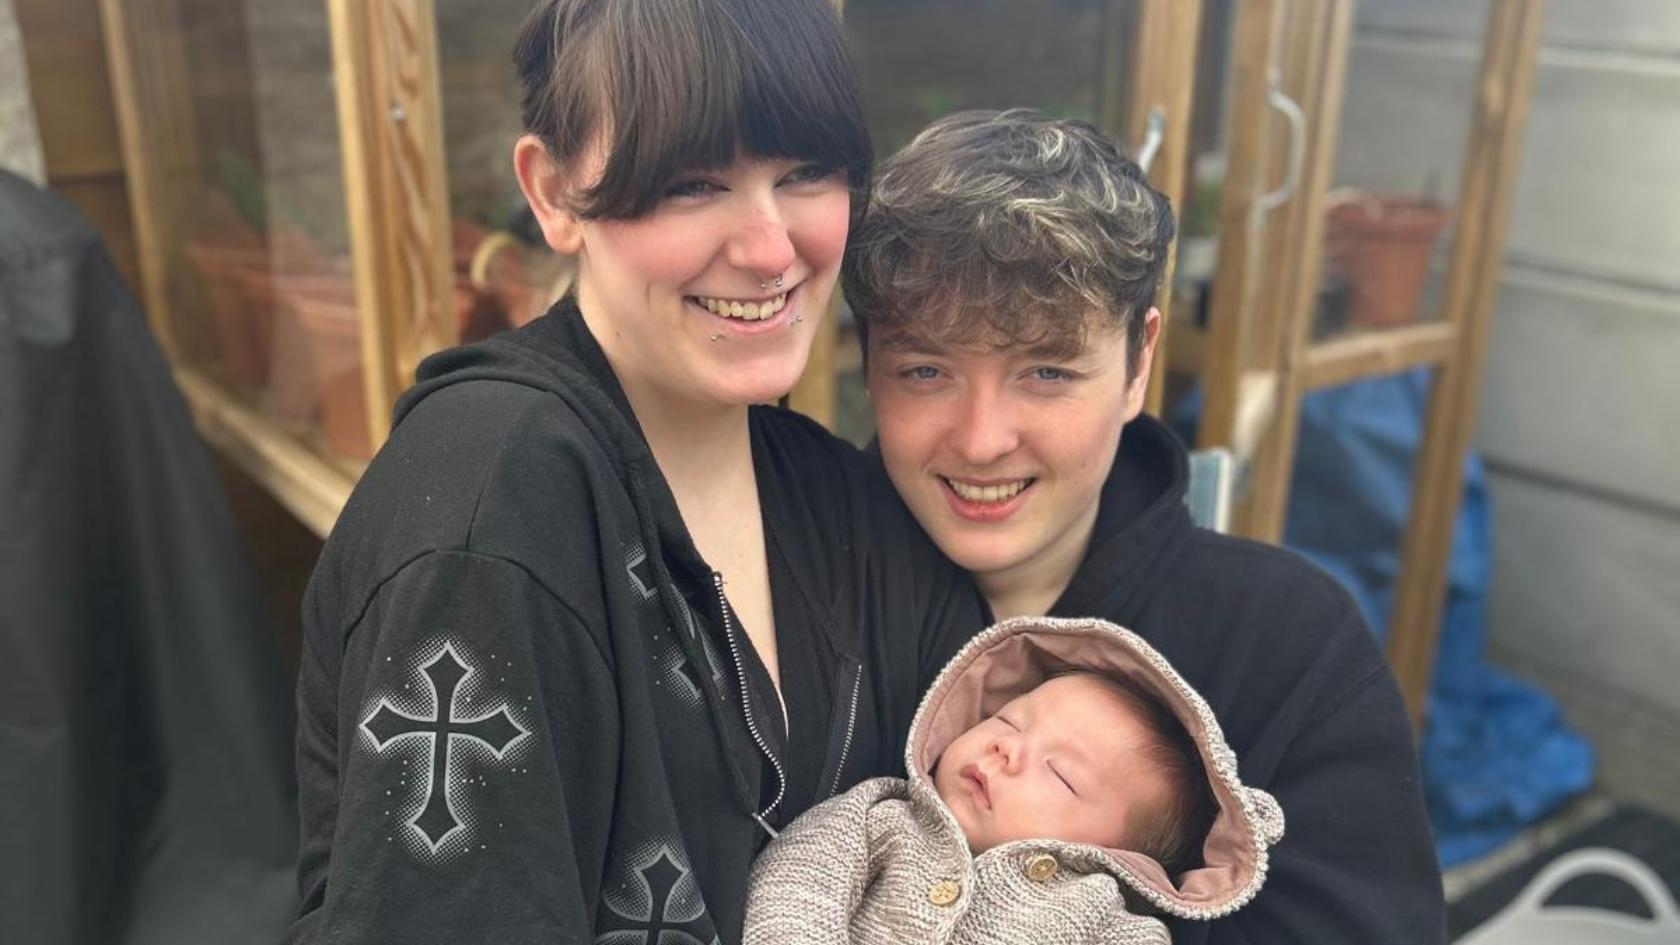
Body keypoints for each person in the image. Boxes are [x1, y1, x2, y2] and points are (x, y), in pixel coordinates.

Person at [288, 3, 982, 942]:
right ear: (551, 193)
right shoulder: (490, 503)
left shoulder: (832, 493)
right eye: (692, 183)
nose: (771, 249)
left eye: (806, 172)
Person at [845, 109, 1446, 944]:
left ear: (1138, 364)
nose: (982, 439)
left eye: (1047, 370)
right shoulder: (784, 581)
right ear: (868, 363)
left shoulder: (1289, 647)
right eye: (926, 369)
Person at [743, 616, 1282, 945]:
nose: (1004, 749)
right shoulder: (882, 817)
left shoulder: (1105, 918)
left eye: (1060, 774)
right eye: (1006, 721)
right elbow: (796, 886)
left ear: (1122, 858)